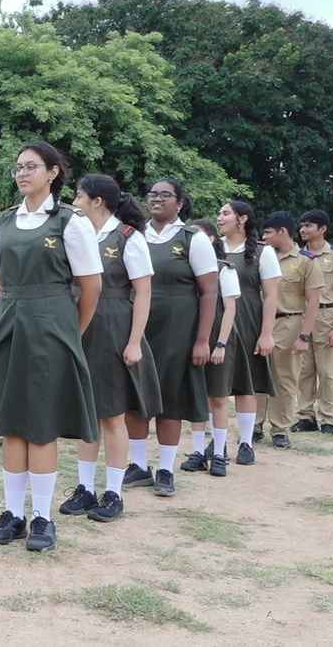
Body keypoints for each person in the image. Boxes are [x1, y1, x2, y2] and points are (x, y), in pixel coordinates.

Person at [0, 141, 102, 552]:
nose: (22, 173)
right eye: (18, 167)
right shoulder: (3, 222)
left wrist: (70, 331)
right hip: (10, 323)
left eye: (31, 166)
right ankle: (13, 514)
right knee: (12, 423)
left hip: (52, 327)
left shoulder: (70, 221)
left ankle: (43, 517)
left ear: (53, 172)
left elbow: (91, 286)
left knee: (41, 426)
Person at [59, 175, 159, 522]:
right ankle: (85, 488)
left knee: (113, 415)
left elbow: (143, 292)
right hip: (81, 324)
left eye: (79, 196)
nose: (75, 202)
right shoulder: (79, 234)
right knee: (88, 411)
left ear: (97, 201)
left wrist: (134, 342)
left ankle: (114, 492)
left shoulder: (128, 237)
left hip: (115, 327)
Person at [126, 179, 219, 498]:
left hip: (178, 330)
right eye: (152, 194)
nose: (157, 199)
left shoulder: (192, 238)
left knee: (171, 400)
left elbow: (209, 292)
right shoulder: (134, 236)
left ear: (179, 203)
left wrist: (203, 340)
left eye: (165, 195)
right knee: (136, 397)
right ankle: (138, 465)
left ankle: (165, 469)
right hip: (138, 328)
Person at [197, 200, 279, 472]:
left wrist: (266, 333)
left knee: (247, 384)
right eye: (219, 213)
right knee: (216, 388)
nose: (219, 218)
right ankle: (216, 442)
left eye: (225, 213)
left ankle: (246, 442)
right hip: (218, 322)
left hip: (249, 321)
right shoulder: (213, 249)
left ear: (242, 219)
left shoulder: (263, 252)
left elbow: (271, 296)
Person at [254, 212, 324, 448]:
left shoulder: (305, 261)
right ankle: (254, 424)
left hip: (289, 322)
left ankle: (280, 428)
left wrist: (304, 335)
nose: (264, 237)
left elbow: (313, 301)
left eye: (268, 232)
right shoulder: (260, 256)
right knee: (256, 374)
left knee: (285, 377)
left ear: (282, 231)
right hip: (260, 322)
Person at [191, 220, 243, 476]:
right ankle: (197, 452)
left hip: (217, 339)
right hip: (193, 339)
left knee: (218, 398)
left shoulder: (225, 269)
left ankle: (220, 453)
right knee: (196, 397)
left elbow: (230, 309)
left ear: (211, 239)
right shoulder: (190, 270)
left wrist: (221, 343)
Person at [294, 210, 333, 435]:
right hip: (301, 317)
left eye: (309, 225)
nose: (303, 229)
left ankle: (328, 417)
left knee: (328, 372)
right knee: (304, 371)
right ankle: (305, 416)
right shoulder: (297, 256)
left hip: (327, 316)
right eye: (302, 225)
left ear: (323, 229)